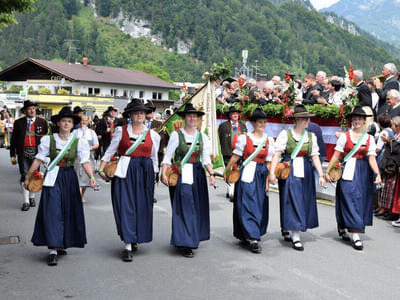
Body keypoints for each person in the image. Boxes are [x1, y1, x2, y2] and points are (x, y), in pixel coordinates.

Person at [24, 106, 96, 266]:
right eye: (63, 121)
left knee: (67, 210)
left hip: (69, 178)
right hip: (52, 177)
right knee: (52, 210)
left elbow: (84, 161)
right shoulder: (48, 140)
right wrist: (28, 176)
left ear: (72, 124)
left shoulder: (79, 142)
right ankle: (52, 249)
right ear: (58, 123)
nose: (66, 124)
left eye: (69, 121)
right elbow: (38, 159)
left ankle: (63, 242)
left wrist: (91, 177)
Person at [98, 99, 160, 262]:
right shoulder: (120, 131)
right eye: (136, 112)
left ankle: (135, 236)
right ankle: (127, 244)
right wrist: (101, 168)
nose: (139, 115)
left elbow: (154, 158)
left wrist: (154, 174)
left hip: (145, 171)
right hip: (125, 170)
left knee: (142, 205)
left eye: (142, 112)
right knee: (125, 205)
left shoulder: (153, 135)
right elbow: (110, 151)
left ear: (146, 116)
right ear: (130, 115)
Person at [161, 103, 216, 258]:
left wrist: (211, 174)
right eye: (190, 115)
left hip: (197, 174)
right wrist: (164, 173)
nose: (192, 118)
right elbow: (167, 156)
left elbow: (206, 159)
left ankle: (190, 237)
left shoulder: (202, 136)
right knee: (185, 207)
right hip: (181, 174)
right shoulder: (176, 135)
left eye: (195, 116)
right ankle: (185, 242)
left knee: (195, 207)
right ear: (184, 118)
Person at [270, 105, 325, 251]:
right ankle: (295, 235)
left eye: (307, 118)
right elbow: (277, 154)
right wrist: (272, 172)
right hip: (289, 170)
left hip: (305, 171)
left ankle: (290, 228)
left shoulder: (311, 136)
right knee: (291, 200)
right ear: (296, 119)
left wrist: (320, 174)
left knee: (303, 200)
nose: (307, 121)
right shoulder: (285, 134)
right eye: (303, 118)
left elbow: (315, 157)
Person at [326, 106, 381, 251]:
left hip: (363, 172)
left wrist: (378, 173)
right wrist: (328, 171)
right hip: (348, 170)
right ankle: (355, 235)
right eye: (354, 119)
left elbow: (372, 159)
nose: (357, 121)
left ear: (364, 121)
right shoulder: (345, 136)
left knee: (359, 200)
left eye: (359, 119)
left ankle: (346, 226)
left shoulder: (369, 138)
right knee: (347, 197)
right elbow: (336, 155)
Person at [224, 108, 274, 253]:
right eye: (259, 122)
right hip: (247, 172)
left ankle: (250, 232)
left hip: (260, 174)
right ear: (253, 123)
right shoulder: (244, 138)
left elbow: (269, 162)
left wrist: (268, 179)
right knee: (246, 204)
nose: (262, 125)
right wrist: (227, 171)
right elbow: (235, 156)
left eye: (264, 122)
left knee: (258, 204)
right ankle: (252, 237)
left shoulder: (268, 140)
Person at [10, 100, 48, 211]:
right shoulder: (18, 122)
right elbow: (13, 140)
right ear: (25, 111)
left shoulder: (42, 122)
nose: (32, 111)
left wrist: (46, 154)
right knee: (24, 175)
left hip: (37, 153)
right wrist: (12, 154)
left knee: (35, 175)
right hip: (23, 152)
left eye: (33, 109)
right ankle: (26, 201)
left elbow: (46, 139)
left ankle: (32, 197)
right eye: (29, 109)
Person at [218, 106, 247, 201]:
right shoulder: (223, 126)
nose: (235, 115)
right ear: (229, 115)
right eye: (233, 114)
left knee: (237, 171)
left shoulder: (243, 126)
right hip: (228, 152)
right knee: (230, 171)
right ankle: (231, 192)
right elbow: (219, 140)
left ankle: (232, 190)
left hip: (240, 153)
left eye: (237, 113)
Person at [73, 115, 99, 203]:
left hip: (89, 156)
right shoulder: (75, 132)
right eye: (82, 121)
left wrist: (89, 148)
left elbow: (96, 144)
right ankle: (78, 195)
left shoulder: (91, 132)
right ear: (79, 122)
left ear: (88, 122)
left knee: (86, 177)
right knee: (77, 176)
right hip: (77, 156)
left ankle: (82, 194)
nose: (84, 122)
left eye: (85, 121)